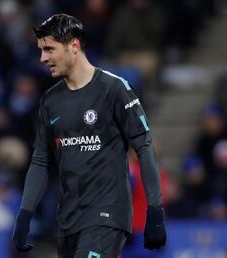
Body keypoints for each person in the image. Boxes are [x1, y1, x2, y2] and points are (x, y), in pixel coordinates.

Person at [12, 13, 166, 258]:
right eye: (41, 51)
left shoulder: (115, 89)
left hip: (107, 215)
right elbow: (41, 160)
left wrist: (155, 211)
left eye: (49, 49)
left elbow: (144, 147)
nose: (43, 58)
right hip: (68, 219)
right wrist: (25, 213)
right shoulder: (50, 101)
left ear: (73, 45)